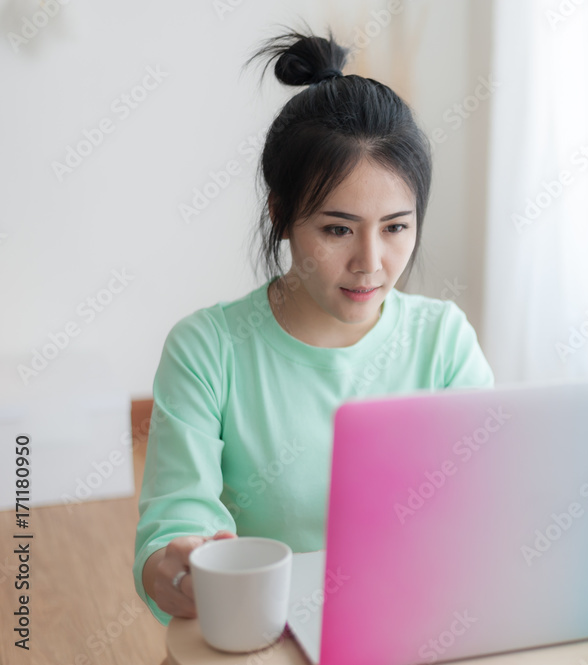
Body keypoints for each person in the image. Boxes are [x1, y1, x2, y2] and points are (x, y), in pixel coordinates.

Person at [132, 26, 495, 626]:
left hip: (413, 625)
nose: (371, 262)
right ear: (280, 215)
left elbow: (486, 504)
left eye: (396, 227)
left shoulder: (443, 341)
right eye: (337, 229)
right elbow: (173, 529)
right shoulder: (208, 350)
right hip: (264, 631)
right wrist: (179, 567)